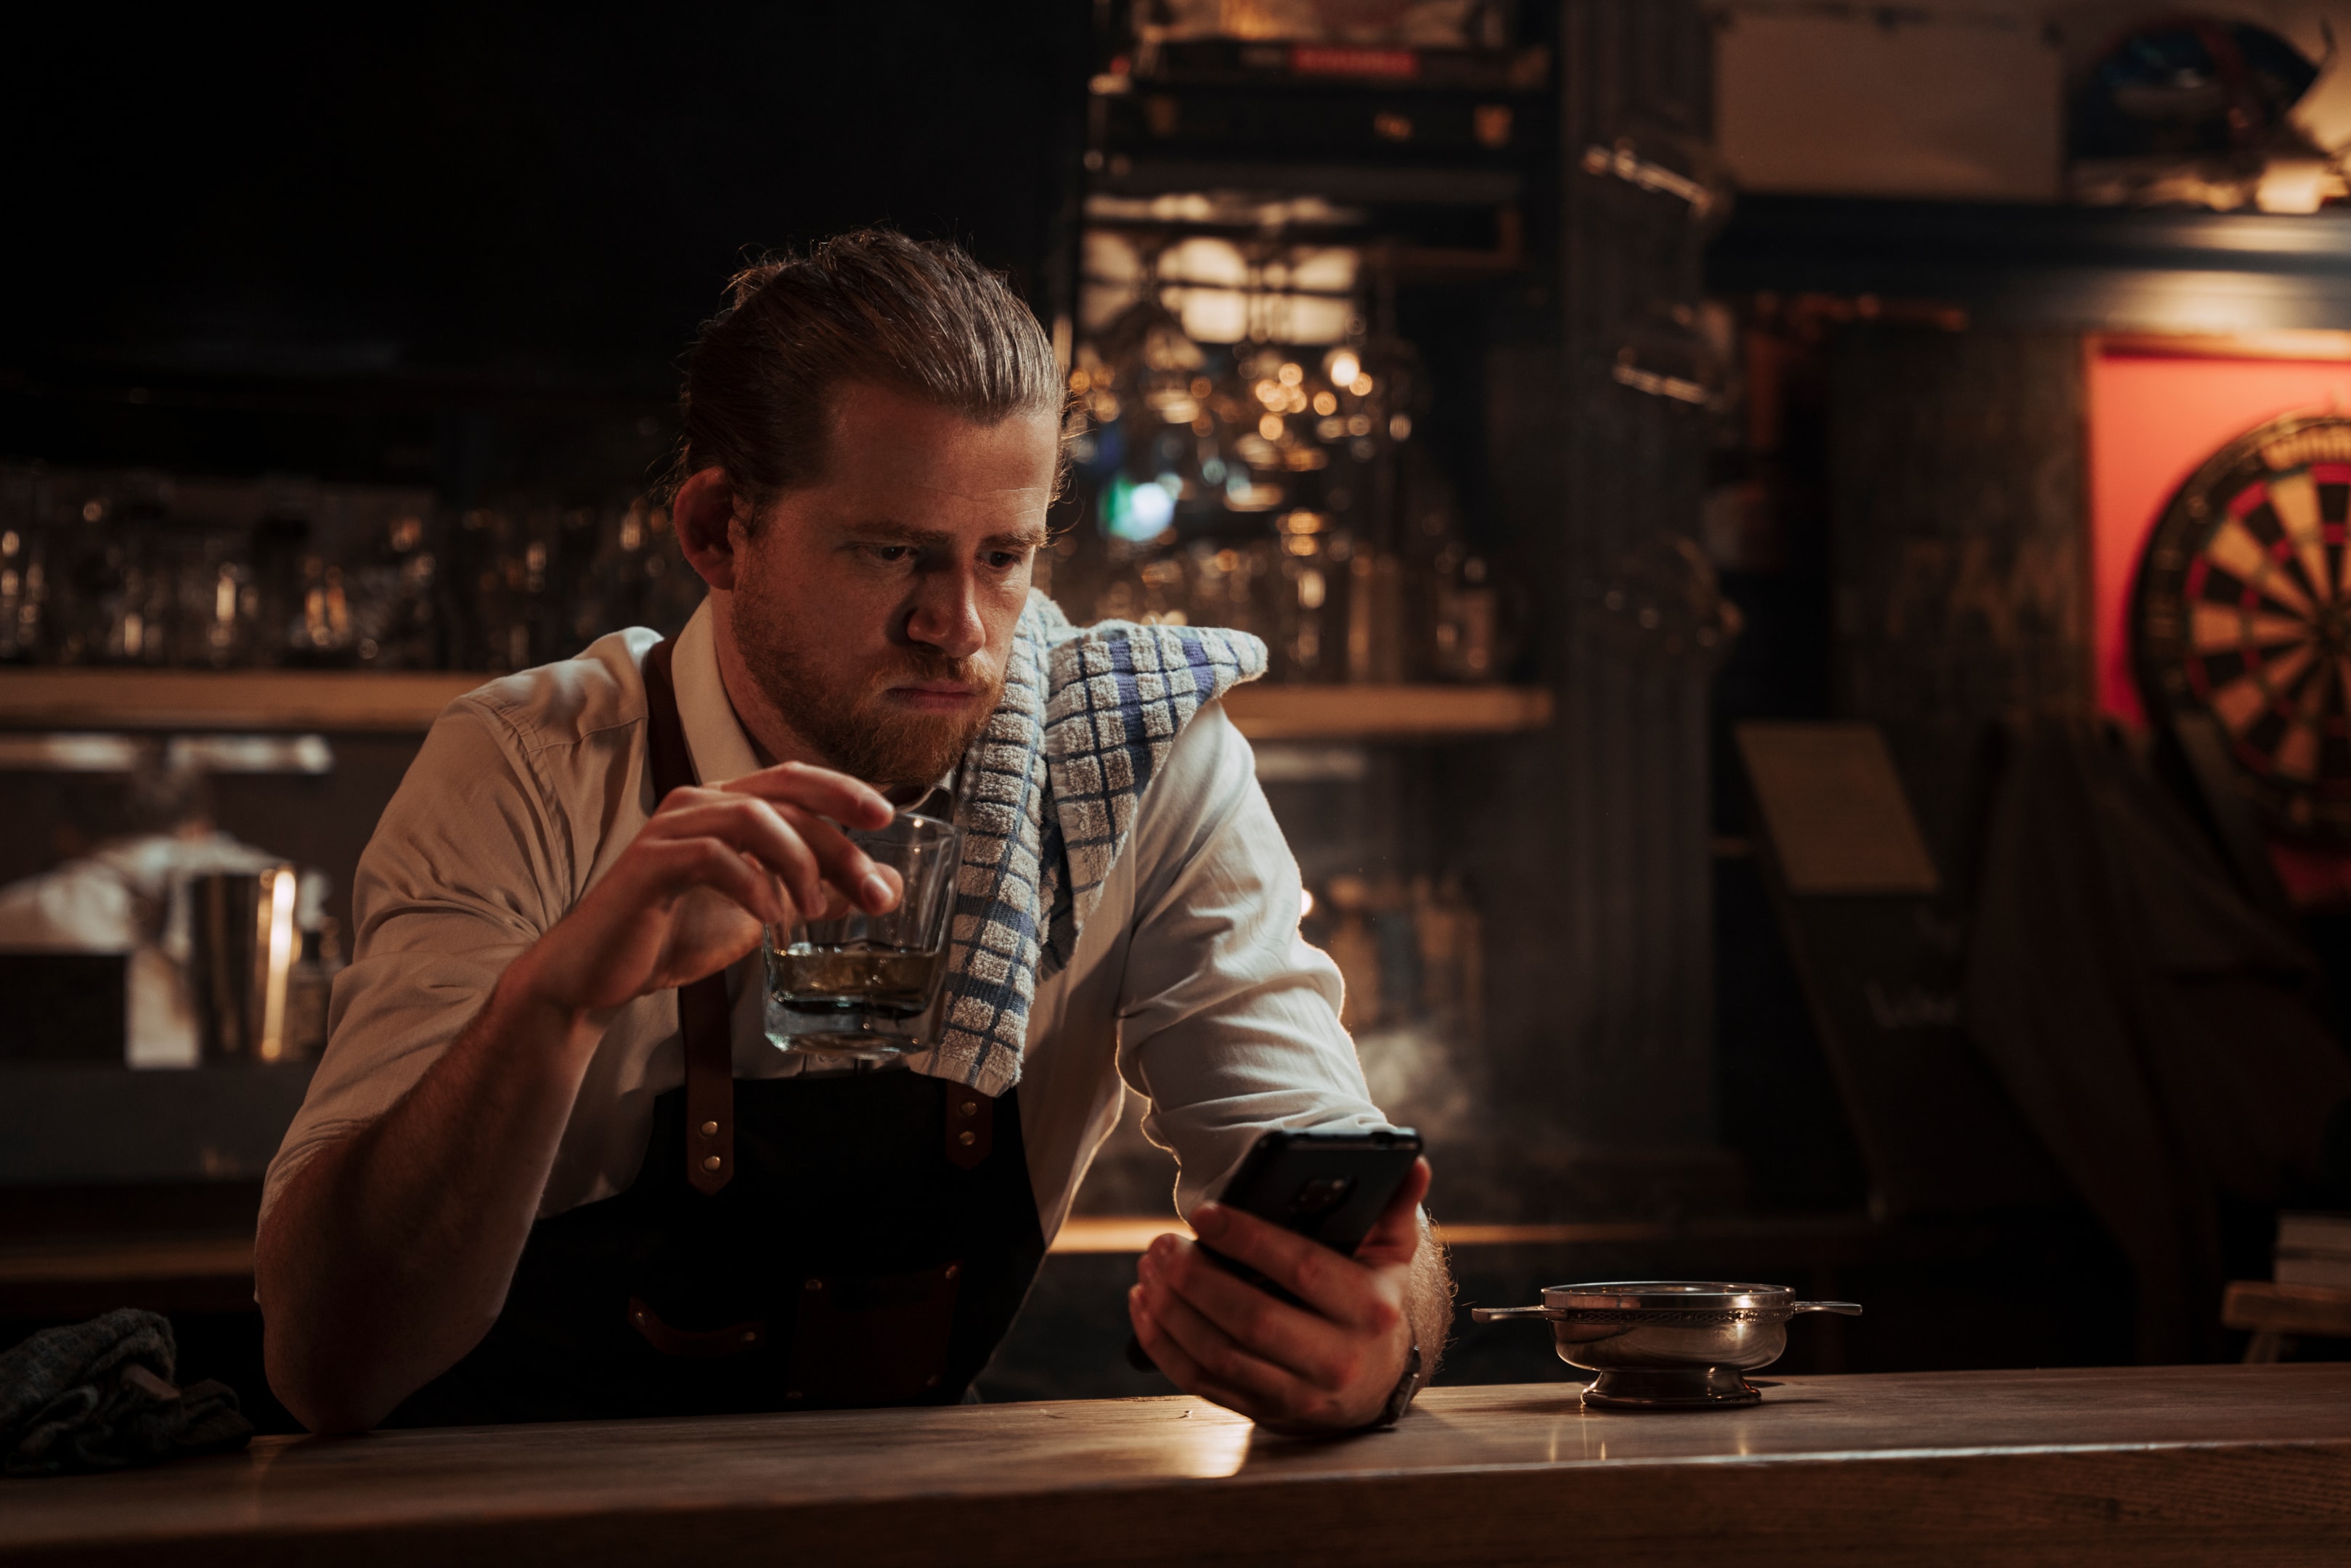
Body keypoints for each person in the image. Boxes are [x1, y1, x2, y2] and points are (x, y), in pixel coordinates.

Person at [255, 229, 1451, 1435]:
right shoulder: (525, 768)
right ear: (719, 529)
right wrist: (554, 1002)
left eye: (1004, 558)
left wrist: (1380, 1337)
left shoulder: (1132, 756)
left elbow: (1338, 1176)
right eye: (892, 553)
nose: (963, 630)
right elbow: (329, 1365)